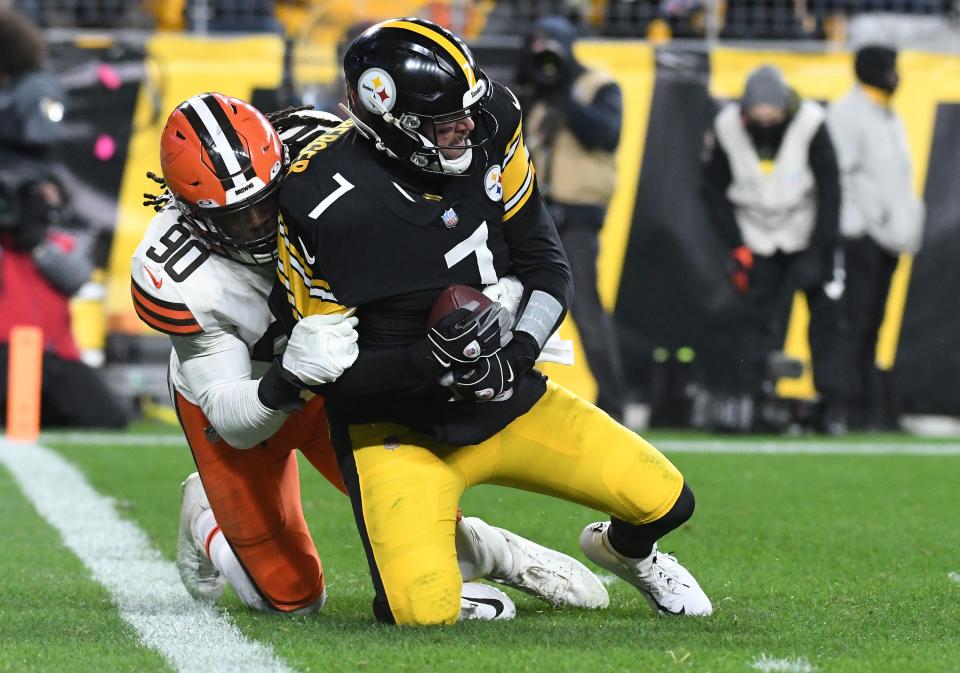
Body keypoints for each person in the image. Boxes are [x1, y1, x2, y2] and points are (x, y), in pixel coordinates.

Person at [273, 18, 711, 626]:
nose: (468, 125)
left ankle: (623, 552)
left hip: (507, 396)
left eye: (468, 108)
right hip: (396, 429)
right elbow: (327, 376)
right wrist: (429, 360)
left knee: (667, 502)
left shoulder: (493, 124)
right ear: (389, 120)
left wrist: (519, 350)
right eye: (446, 118)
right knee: (420, 614)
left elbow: (547, 264)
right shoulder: (319, 199)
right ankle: (479, 558)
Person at [132, 93, 608, 618]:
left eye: (270, 199)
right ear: (191, 214)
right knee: (289, 599)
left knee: (416, 518)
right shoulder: (174, 274)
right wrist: (289, 376)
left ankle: (499, 552)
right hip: (251, 397)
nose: (262, 224)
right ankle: (208, 513)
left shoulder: (323, 150)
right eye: (238, 219)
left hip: (348, 382)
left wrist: (493, 289)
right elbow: (232, 417)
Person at [701, 64, 849, 434]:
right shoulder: (726, 128)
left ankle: (833, 408)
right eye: (759, 116)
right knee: (757, 326)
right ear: (746, 112)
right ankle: (756, 403)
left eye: (774, 115)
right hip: (756, 239)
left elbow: (831, 190)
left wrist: (820, 251)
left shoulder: (812, 123)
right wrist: (736, 244)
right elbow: (711, 191)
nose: (766, 122)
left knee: (826, 324)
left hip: (807, 231)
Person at [0, 8, 127, 429]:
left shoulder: (47, 200)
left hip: (45, 347)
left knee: (106, 418)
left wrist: (35, 238)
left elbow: (75, 275)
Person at [513, 16, 629, 422]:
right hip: (537, 215)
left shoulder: (598, 85)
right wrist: (529, 81)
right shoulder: (537, 92)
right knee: (517, 306)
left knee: (586, 312)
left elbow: (607, 134)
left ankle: (615, 404)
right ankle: (514, 397)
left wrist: (566, 97)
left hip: (578, 216)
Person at [827, 45, 924, 431]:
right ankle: (846, 407)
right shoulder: (848, 114)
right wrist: (856, 225)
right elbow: (841, 178)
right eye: (890, 68)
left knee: (872, 324)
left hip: (887, 237)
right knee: (855, 321)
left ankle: (868, 408)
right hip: (862, 238)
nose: (896, 75)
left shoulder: (886, 114)